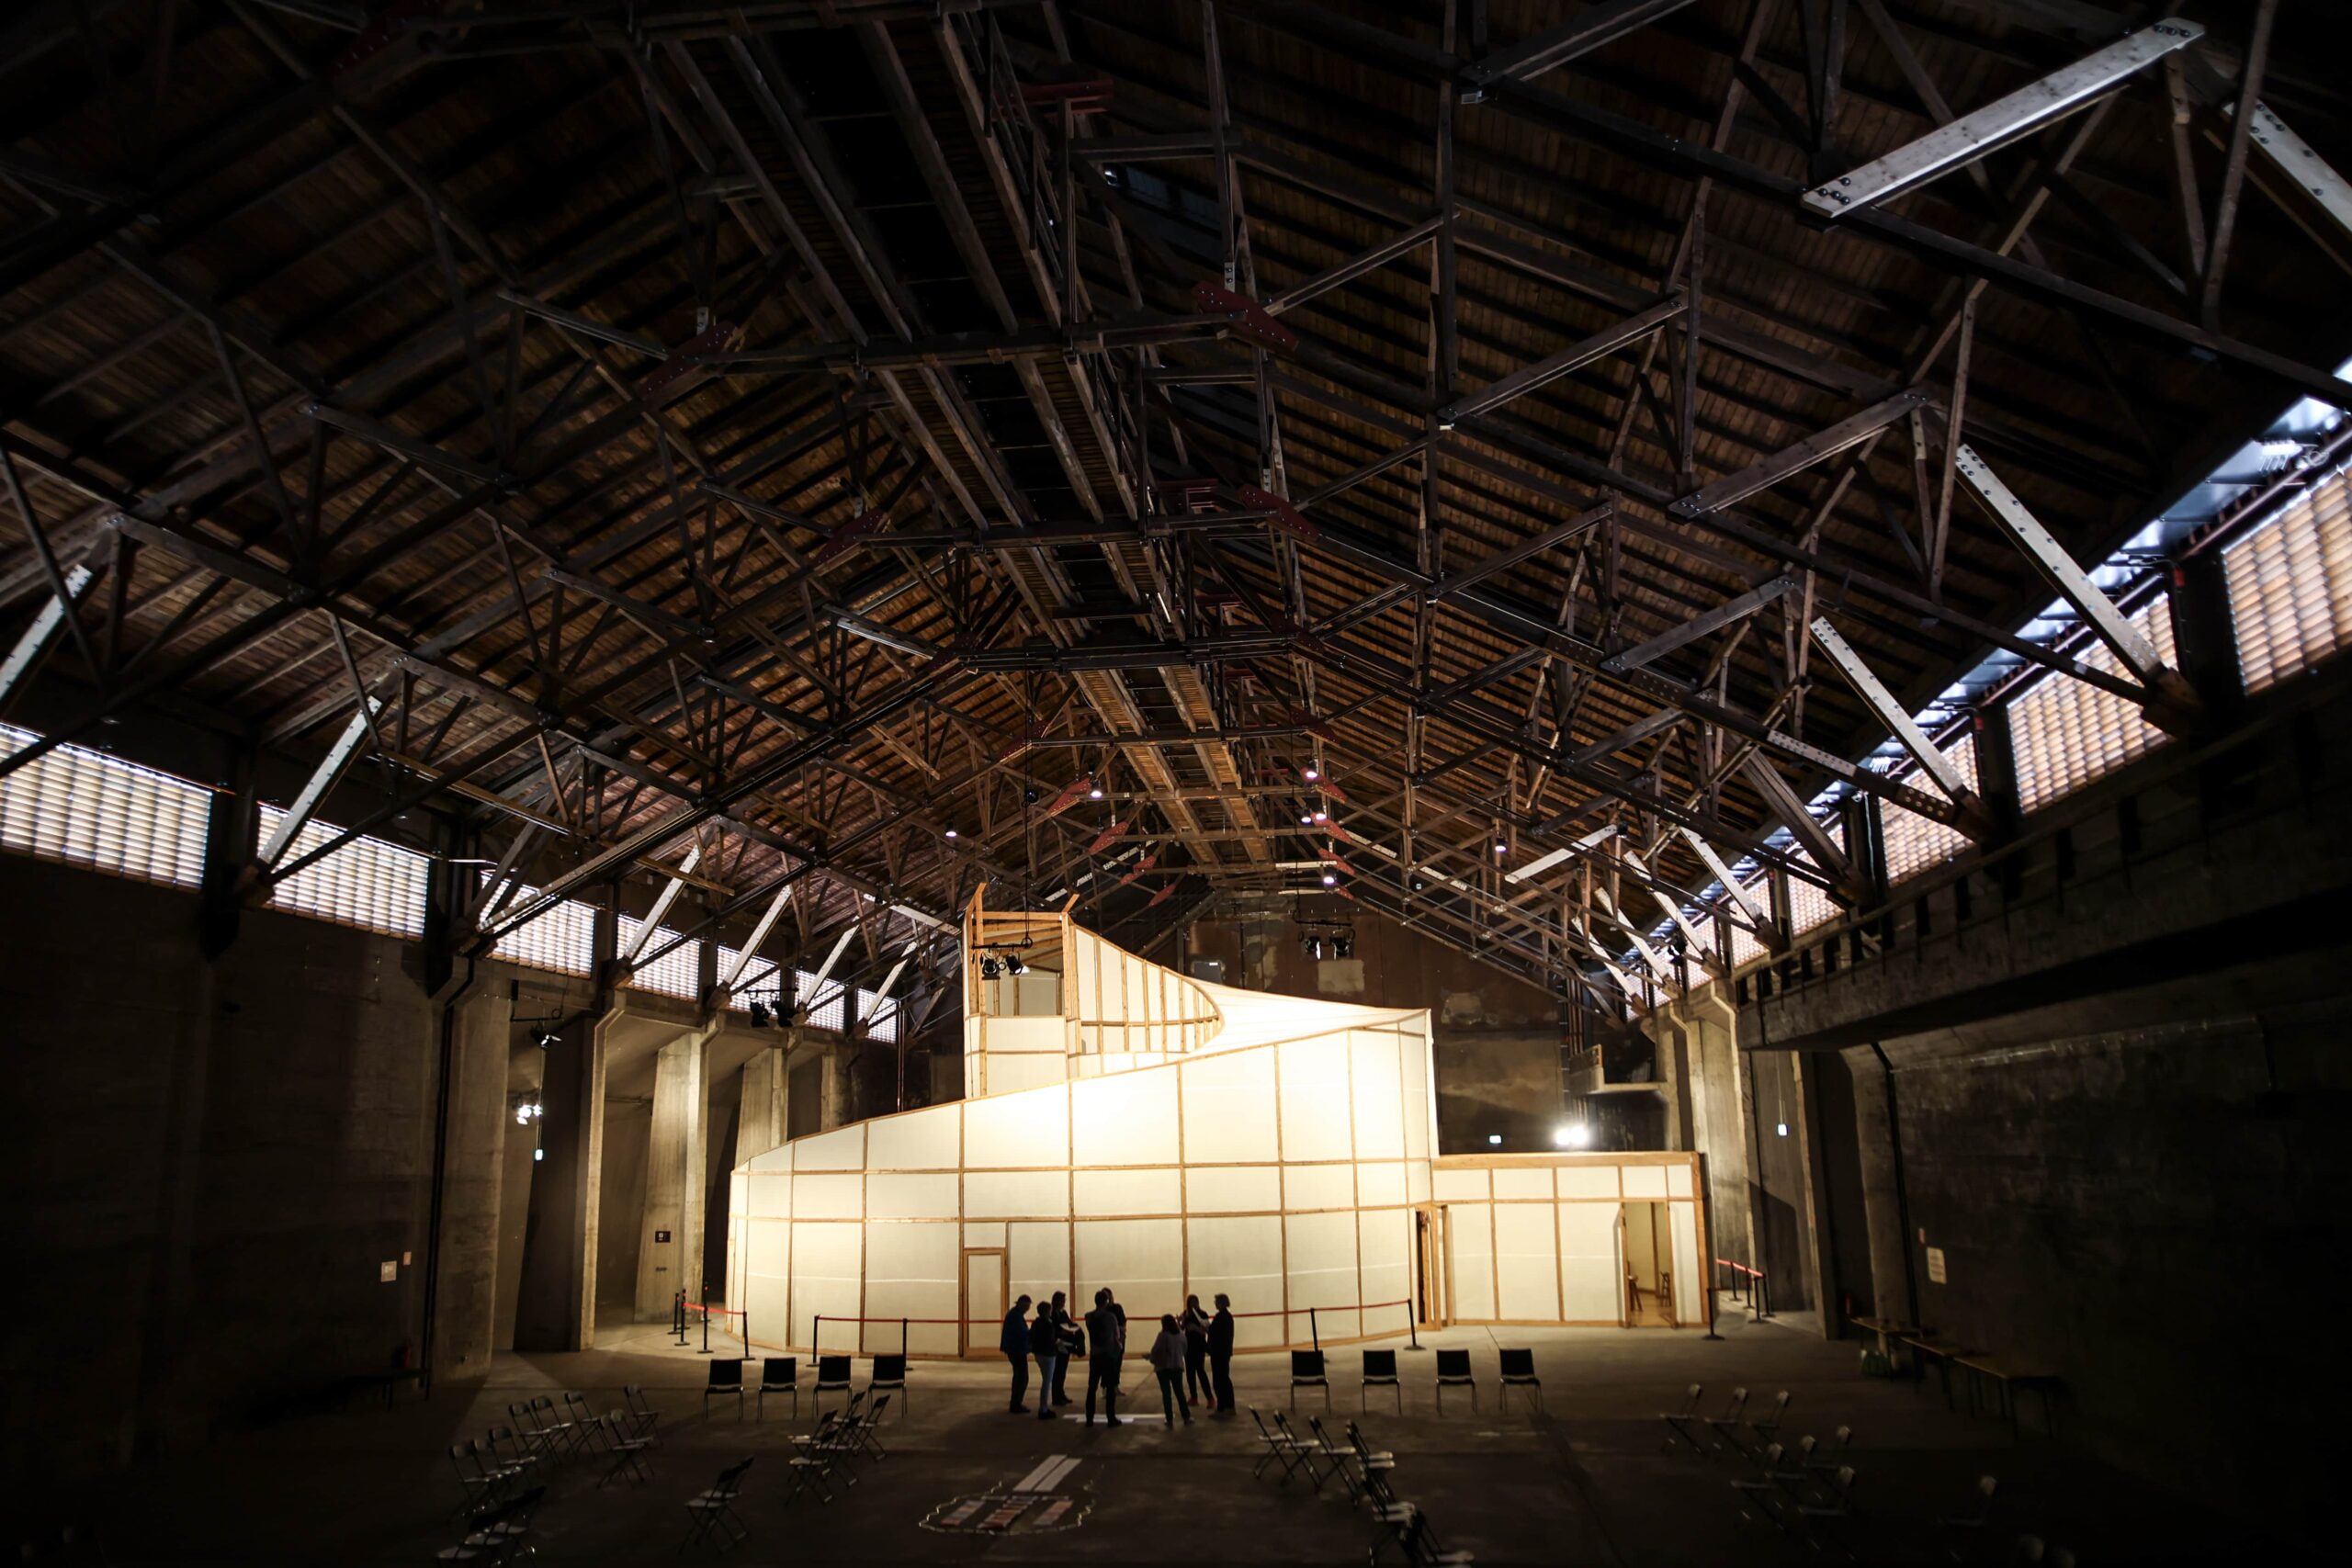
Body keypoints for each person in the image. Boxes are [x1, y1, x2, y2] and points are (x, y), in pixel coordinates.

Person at [1083, 1287, 1125, 1425]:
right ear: (1106, 1301)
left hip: (1095, 1355)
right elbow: (1116, 1337)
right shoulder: (1111, 1317)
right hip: (1108, 1355)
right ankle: (1110, 1417)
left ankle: (1089, 1418)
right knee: (1110, 1387)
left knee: (1092, 1387)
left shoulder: (1088, 1316)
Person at [1148, 1313, 1194, 1427]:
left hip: (1163, 1368)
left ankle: (1169, 1418)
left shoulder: (1162, 1335)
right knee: (1180, 1393)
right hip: (1177, 1366)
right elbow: (1185, 1350)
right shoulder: (1181, 1335)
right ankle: (1186, 1416)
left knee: (1166, 1394)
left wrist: (1152, 1358)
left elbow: (1155, 1350)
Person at [1030, 1299, 1063, 1419]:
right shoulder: (1048, 1324)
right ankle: (1043, 1408)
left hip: (1038, 1354)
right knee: (1047, 1382)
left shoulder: (1036, 1323)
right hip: (1048, 1354)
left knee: (1046, 1380)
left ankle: (1044, 1407)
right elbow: (1051, 1340)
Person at [1001, 1293, 1033, 1414]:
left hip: (1015, 1349)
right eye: (1027, 1306)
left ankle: (1016, 1403)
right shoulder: (1016, 1316)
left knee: (1020, 1376)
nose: (1027, 1309)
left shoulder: (1015, 1314)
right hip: (1016, 1350)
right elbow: (1022, 1333)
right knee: (1022, 1377)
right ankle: (1016, 1404)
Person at [1181, 1292, 1213, 1406]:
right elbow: (1182, 1328)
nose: (1193, 1305)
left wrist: (1195, 1328)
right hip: (1188, 1346)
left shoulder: (1203, 1314)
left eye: (1195, 1302)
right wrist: (1180, 1321)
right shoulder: (1186, 1314)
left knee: (1200, 1371)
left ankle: (1210, 1398)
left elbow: (1206, 1331)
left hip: (1199, 1346)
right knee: (1190, 1373)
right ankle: (1194, 1397)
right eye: (1191, 1302)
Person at [1208, 1292, 1237, 1415]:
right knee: (1224, 1379)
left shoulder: (1221, 1317)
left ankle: (1223, 1407)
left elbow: (1216, 1333)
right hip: (1223, 1352)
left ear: (1221, 1303)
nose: (1215, 1304)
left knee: (1219, 1381)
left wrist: (1206, 1329)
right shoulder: (1227, 1316)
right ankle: (1228, 1406)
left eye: (1216, 1302)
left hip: (1219, 1352)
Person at [1049, 1290, 1078, 1406]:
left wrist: (1074, 1327)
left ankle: (1061, 1393)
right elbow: (1053, 1329)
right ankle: (1056, 1397)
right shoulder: (1052, 1314)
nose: (1064, 1302)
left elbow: (1069, 1323)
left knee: (1062, 1371)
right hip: (1058, 1344)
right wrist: (1063, 1332)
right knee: (1058, 1372)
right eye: (1063, 1300)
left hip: (1065, 1345)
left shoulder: (1063, 1312)